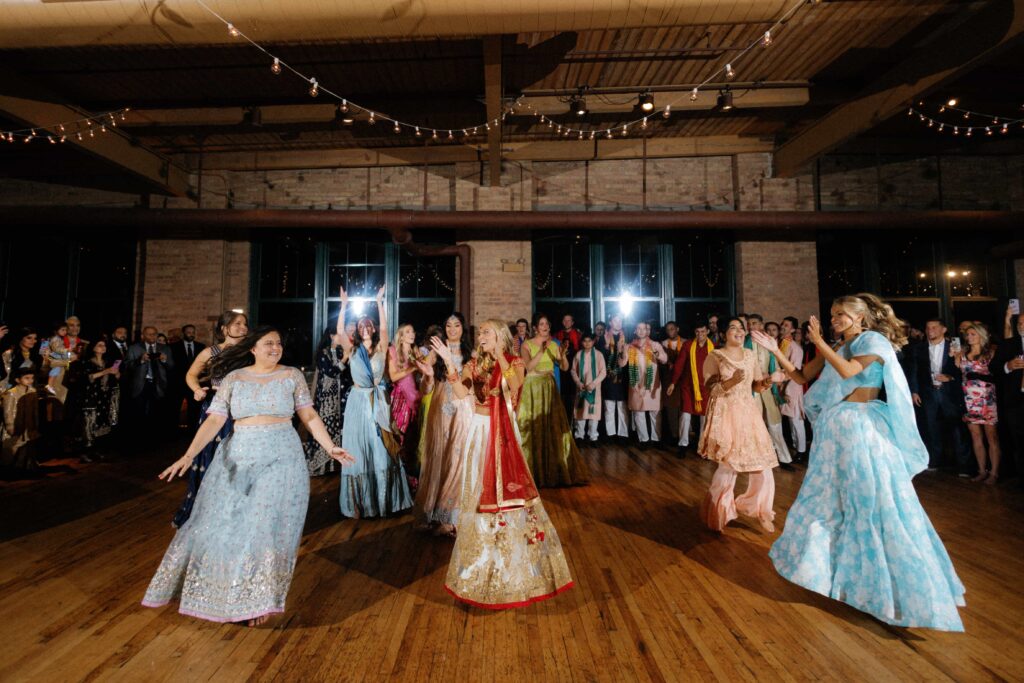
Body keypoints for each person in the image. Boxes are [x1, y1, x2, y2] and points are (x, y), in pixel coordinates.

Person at [757, 294, 965, 631]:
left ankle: (892, 591)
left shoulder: (872, 340)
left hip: (862, 427)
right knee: (837, 502)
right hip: (838, 427)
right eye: (833, 314)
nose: (835, 319)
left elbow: (849, 370)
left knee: (872, 501)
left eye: (841, 315)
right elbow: (801, 376)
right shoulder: (840, 345)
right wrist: (775, 350)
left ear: (861, 317)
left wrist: (820, 341)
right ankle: (853, 581)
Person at [142, 326, 354, 626]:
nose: (275, 348)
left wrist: (330, 446)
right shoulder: (234, 378)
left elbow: (308, 415)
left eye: (278, 343)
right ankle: (228, 590)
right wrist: (188, 455)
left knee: (263, 526)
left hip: (282, 455)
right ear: (252, 348)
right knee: (230, 525)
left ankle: (256, 600)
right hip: (238, 456)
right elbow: (215, 419)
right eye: (268, 343)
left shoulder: (291, 375)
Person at [434, 320, 574, 609]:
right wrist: (449, 362)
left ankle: (510, 571)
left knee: (506, 502)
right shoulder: (475, 364)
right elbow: (461, 394)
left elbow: (515, 384)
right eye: (481, 332)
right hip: (479, 431)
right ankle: (479, 571)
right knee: (476, 499)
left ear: (499, 337)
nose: (481, 336)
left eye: (487, 332)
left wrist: (499, 353)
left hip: (503, 435)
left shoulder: (514, 361)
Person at [336, 285, 413, 518]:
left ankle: (384, 501)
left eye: (369, 325)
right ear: (358, 331)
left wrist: (380, 302)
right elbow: (340, 329)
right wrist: (343, 306)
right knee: (359, 447)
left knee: (381, 446)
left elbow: (386, 327)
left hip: (378, 401)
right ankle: (360, 504)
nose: (366, 328)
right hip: (358, 402)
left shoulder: (381, 347)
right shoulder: (352, 348)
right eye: (362, 326)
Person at [698, 318, 779, 532]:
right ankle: (720, 513)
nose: (740, 331)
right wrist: (731, 381)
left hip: (749, 413)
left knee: (763, 464)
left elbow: (757, 386)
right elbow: (711, 389)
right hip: (726, 414)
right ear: (725, 334)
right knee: (729, 466)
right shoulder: (715, 356)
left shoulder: (751, 356)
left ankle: (761, 511)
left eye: (742, 328)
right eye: (733, 327)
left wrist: (770, 380)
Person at [173, 311, 248, 527]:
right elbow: (190, 375)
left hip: (243, 408)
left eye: (245, 324)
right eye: (237, 324)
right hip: (217, 407)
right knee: (214, 455)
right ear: (224, 328)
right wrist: (196, 390)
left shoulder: (251, 350)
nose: (243, 327)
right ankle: (210, 511)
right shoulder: (211, 352)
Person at [414, 313, 473, 535]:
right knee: (441, 457)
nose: (452, 329)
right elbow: (426, 389)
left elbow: (469, 386)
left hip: (463, 409)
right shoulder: (435, 351)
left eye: (456, 325)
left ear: (463, 328)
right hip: (440, 409)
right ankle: (437, 514)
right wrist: (428, 376)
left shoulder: (471, 353)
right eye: (448, 325)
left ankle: (454, 516)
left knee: (459, 458)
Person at [519, 313, 589, 486]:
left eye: (547, 324)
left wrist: (563, 355)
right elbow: (528, 367)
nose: (545, 327)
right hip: (533, 389)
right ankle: (531, 472)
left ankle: (553, 471)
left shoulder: (555, 343)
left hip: (549, 388)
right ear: (535, 327)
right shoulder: (527, 345)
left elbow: (564, 367)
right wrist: (542, 350)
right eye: (541, 324)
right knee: (532, 428)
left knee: (553, 427)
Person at [908, 318, 969, 474]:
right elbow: (914, 370)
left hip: (949, 392)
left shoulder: (954, 346)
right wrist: (914, 391)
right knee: (931, 428)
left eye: (934, 327)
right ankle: (935, 461)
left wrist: (951, 377)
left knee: (956, 429)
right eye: (928, 328)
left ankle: (963, 465)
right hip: (928, 393)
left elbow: (963, 370)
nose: (930, 330)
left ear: (944, 329)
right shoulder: (919, 348)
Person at [304, 322, 353, 477]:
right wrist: (345, 359)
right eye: (340, 334)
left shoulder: (340, 352)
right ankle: (320, 465)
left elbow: (346, 375)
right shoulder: (322, 353)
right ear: (332, 336)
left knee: (339, 428)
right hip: (326, 399)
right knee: (326, 427)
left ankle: (336, 465)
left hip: (341, 397)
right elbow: (331, 372)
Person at [744, 314, 792, 468]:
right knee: (754, 423)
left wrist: (776, 378)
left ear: (761, 324)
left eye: (755, 323)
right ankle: (756, 458)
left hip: (769, 386)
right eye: (749, 323)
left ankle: (784, 459)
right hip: (752, 386)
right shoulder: (744, 342)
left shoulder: (769, 342)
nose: (751, 326)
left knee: (775, 423)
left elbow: (776, 363)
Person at [955, 322, 1000, 484]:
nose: (969, 337)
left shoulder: (991, 353)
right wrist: (955, 357)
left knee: (991, 437)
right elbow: (958, 373)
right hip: (969, 399)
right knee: (975, 436)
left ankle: (994, 473)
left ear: (981, 335)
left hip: (987, 399)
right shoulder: (962, 353)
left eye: (973, 334)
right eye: (968, 334)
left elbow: (997, 375)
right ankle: (981, 471)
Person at [64, 340, 120, 462]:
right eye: (99, 345)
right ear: (93, 348)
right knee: (88, 423)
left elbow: (114, 380)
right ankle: (84, 451)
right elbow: (85, 378)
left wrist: (116, 374)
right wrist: (104, 372)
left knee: (101, 422)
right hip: (89, 397)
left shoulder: (107, 362)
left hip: (103, 397)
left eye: (104, 345)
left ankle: (96, 450)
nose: (103, 347)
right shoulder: (85, 363)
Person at [667, 320, 713, 457]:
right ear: (694, 333)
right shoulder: (688, 345)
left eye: (703, 332)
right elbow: (679, 365)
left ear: (708, 332)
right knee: (685, 416)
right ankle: (683, 445)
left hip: (705, 387)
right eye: (698, 332)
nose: (700, 335)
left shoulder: (713, 347)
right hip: (688, 386)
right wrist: (673, 383)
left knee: (705, 418)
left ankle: (703, 447)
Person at [619, 321, 668, 447]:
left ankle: (656, 439)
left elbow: (665, 359)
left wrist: (657, 353)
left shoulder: (655, 344)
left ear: (648, 331)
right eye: (638, 328)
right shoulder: (630, 346)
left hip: (652, 384)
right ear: (635, 331)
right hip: (636, 384)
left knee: (655, 412)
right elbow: (622, 364)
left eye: (644, 329)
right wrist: (623, 351)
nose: (641, 331)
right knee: (638, 412)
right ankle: (644, 440)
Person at [123, 326, 174, 440]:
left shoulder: (165, 348)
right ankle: (138, 438)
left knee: (156, 412)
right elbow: (127, 366)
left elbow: (171, 366)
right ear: (143, 335)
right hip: (140, 384)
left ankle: (154, 439)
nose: (152, 336)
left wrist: (164, 360)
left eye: (154, 334)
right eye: (149, 334)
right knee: (139, 412)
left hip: (158, 384)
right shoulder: (134, 348)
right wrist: (140, 360)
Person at [996, 305, 1024, 487]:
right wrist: (1008, 366)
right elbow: (995, 369)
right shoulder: (1009, 344)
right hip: (1016, 401)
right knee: (1019, 441)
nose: (1021, 325)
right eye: (1020, 323)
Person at [778, 317, 808, 462]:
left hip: (792, 385)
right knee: (790, 421)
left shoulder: (795, 347)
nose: (783, 327)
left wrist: (784, 387)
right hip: (782, 384)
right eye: (782, 324)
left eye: (786, 325)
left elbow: (793, 370)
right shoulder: (783, 344)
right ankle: (796, 447)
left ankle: (801, 451)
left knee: (796, 420)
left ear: (793, 329)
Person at [388, 323, 422, 449]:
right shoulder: (392, 351)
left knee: (414, 437)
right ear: (401, 337)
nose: (412, 334)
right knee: (400, 433)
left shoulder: (416, 351)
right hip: (401, 397)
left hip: (417, 396)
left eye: (413, 331)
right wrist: (412, 368)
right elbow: (393, 377)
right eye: (408, 332)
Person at [2, 367, 41, 472]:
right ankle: (10, 468)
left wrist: (36, 423)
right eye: (26, 378)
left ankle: (25, 466)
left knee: (28, 445)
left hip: (28, 424)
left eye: (32, 378)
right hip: (16, 424)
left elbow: (35, 410)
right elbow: (7, 412)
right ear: (17, 380)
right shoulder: (11, 393)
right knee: (14, 446)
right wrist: (10, 426)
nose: (30, 380)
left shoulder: (32, 391)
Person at [570, 332, 606, 444]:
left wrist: (593, 384)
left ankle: (593, 437)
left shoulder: (599, 355)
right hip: (581, 388)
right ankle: (579, 436)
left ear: (593, 342)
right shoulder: (578, 355)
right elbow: (573, 371)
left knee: (593, 414)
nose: (587, 343)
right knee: (581, 412)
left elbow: (603, 372)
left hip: (594, 389)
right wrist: (578, 383)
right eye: (585, 341)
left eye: (589, 341)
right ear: (582, 342)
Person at [596, 315, 628, 441]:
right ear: (610, 322)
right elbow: (600, 358)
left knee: (622, 407)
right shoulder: (603, 339)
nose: (618, 323)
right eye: (616, 320)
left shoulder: (626, 337)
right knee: (609, 407)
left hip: (622, 376)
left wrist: (622, 351)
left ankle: (622, 434)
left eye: (620, 320)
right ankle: (610, 434)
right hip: (608, 376)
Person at [170, 324, 206, 432]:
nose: (191, 334)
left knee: (194, 408)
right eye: (189, 332)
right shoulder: (174, 347)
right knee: (175, 407)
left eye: (193, 332)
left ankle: (192, 431)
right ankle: (173, 431)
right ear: (183, 333)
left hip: (195, 383)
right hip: (178, 382)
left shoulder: (201, 347)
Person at [660, 321, 685, 443]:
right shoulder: (663, 344)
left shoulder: (685, 343)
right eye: (668, 329)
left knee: (683, 409)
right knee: (670, 409)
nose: (670, 331)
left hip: (682, 380)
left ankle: (683, 436)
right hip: (668, 379)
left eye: (672, 329)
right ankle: (673, 435)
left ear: (677, 329)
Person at [44, 321, 75, 400]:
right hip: (55, 359)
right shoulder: (54, 339)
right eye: (63, 330)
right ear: (56, 330)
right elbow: (57, 349)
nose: (65, 332)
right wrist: (67, 350)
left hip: (61, 365)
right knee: (55, 371)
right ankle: (49, 385)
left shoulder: (59, 339)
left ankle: (50, 386)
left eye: (65, 330)